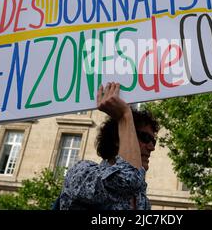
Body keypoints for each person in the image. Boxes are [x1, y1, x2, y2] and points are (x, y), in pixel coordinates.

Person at [53, 82, 159, 210]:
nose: (151, 147)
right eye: (145, 138)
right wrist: (125, 116)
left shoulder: (142, 199)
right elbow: (127, 179)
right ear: (118, 138)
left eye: (153, 141)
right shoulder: (83, 173)